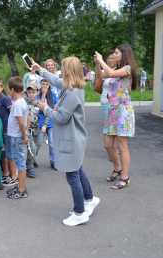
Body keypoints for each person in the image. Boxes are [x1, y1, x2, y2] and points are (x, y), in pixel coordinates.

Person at [33, 56, 100, 226]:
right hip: (74, 138)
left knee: (72, 175)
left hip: (72, 139)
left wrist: (45, 108)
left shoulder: (72, 93)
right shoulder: (72, 86)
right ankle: (89, 198)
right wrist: (39, 69)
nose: (60, 72)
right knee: (77, 169)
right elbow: (55, 80)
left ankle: (79, 212)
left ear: (68, 71)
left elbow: (61, 117)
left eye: (63, 69)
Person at [94, 44, 137, 190]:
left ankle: (125, 177)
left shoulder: (127, 69)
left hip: (123, 110)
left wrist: (101, 60)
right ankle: (118, 169)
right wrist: (97, 64)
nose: (115, 54)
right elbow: (103, 76)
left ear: (124, 54)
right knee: (108, 144)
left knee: (122, 145)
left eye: (117, 52)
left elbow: (111, 74)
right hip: (113, 110)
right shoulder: (118, 69)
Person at [4, 77, 29, 199]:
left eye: (9, 90)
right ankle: (20, 185)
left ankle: (21, 190)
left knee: (20, 164)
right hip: (16, 137)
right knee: (19, 162)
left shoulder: (18, 104)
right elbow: (26, 119)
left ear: (13, 89)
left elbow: (21, 123)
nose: (9, 92)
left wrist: (24, 136)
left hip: (17, 138)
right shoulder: (20, 102)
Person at [0, 80, 15, 185]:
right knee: (3, 153)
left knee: (10, 153)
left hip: (7, 130)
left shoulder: (5, 99)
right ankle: (5, 174)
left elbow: (12, 113)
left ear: (1, 88)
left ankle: (14, 176)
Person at [36, 79, 58, 170]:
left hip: (51, 123)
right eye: (43, 84)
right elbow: (40, 108)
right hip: (40, 122)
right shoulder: (37, 96)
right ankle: (32, 159)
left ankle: (53, 162)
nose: (45, 86)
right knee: (39, 143)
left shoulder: (53, 95)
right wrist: (43, 94)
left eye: (46, 84)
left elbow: (53, 110)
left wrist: (46, 124)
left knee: (52, 143)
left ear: (49, 86)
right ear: (40, 85)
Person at [23, 82, 40, 178]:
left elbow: (45, 115)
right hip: (28, 129)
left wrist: (44, 126)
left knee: (37, 146)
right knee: (31, 148)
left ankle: (32, 160)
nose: (31, 94)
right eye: (29, 92)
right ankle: (29, 167)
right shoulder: (24, 103)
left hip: (38, 129)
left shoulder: (39, 103)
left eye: (33, 92)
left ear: (37, 92)